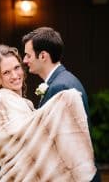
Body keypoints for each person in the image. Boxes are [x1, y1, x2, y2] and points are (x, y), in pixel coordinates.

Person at [0, 44, 96, 181]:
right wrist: (63, 101)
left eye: (17, 68)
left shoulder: (21, 101)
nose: (15, 75)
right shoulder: (2, 100)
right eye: (6, 72)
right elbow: (27, 140)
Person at [22, 26, 101, 182]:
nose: (25, 60)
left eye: (28, 55)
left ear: (43, 55)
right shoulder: (62, 81)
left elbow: (64, 144)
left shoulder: (60, 87)